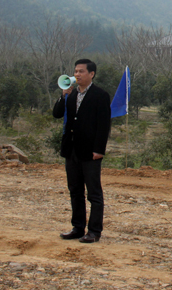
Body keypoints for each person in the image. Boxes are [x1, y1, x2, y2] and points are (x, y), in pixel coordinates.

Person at [52, 59, 111, 243]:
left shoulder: (100, 95)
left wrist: (99, 149)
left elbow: (104, 125)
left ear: (91, 74)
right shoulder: (71, 94)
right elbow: (57, 113)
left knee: (94, 193)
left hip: (90, 151)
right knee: (75, 191)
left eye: (81, 71)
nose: (77, 74)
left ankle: (94, 231)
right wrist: (63, 96)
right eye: (75, 71)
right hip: (72, 150)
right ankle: (78, 228)